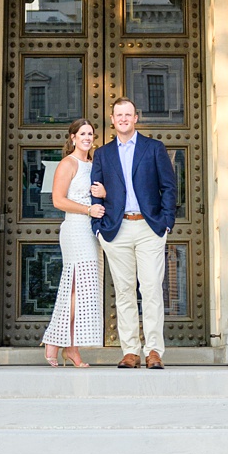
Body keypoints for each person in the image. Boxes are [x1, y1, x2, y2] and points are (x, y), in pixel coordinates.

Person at [90, 95, 178, 369]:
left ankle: (154, 351)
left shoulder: (153, 148)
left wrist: (166, 223)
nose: (124, 119)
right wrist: (98, 229)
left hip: (149, 228)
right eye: (119, 115)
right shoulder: (103, 154)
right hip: (116, 231)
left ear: (136, 118)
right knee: (125, 291)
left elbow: (169, 187)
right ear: (113, 120)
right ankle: (130, 351)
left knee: (151, 289)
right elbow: (95, 191)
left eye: (128, 115)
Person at [40, 120, 103, 368]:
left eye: (90, 133)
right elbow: (58, 200)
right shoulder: (68, 163)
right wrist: (88, 209)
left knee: (82, 291)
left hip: (92, 231)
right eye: (82, 134)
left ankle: (64, 344)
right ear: (73, 137)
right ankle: (62, 344)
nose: (87, 137)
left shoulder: (93, 164)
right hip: (76, 228)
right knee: (76, 289)